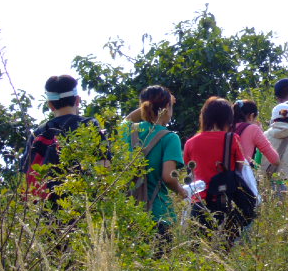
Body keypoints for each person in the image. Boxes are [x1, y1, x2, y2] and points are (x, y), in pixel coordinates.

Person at [21, 75, 109, 205]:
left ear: (50, 105)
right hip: (82, 205)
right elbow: (104, 166)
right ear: (77, 100)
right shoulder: (89, 125)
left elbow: (25, 176)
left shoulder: (38, 133)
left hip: (45, 209)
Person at [124, 85, 187, 230]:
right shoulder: (170, 138)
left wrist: (148, 105)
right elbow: (168, 177)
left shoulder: (127, 130)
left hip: (128, 216)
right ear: (167, 107)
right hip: (159, 214)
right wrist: (181, 191)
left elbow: (127, 119)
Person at [183, 97, 246, 203]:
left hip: (199, 201)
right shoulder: (232, 138)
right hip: (224, 198)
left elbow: (190, 170)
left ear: (204, 117)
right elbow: (241, 167)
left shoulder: (190, 143)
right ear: (228, 119)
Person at [232, 99, 279, 166]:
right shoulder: (253, 129)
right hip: (242, 171)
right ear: (251, 116)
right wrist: (261, 133)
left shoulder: (225, 127)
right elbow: (275, 160)